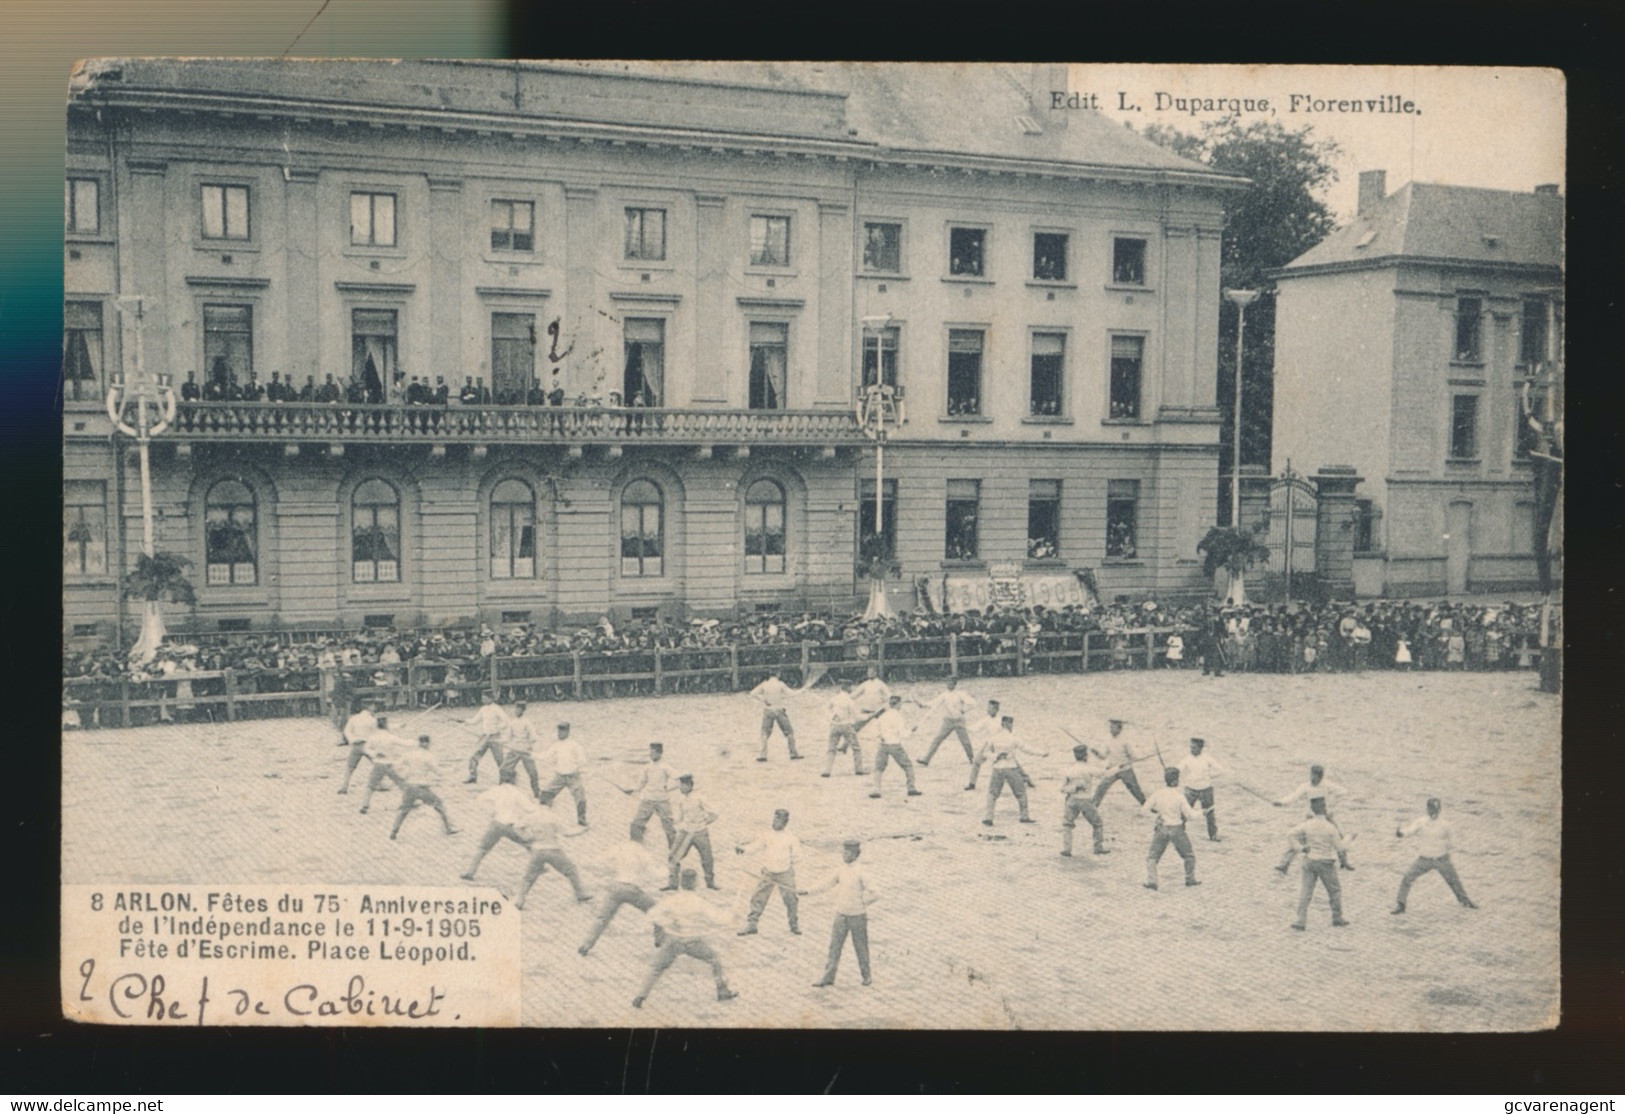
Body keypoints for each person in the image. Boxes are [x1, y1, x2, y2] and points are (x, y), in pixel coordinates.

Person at [633, 869, 739, 1008]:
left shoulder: (672, 899)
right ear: (695, 883)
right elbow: (721, 919)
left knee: (656, 968)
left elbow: (653, 914)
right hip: (693, 942)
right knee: (714, 960)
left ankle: (640, 997)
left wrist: (667, 923)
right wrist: (732, 913)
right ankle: (722, 990)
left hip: (673, 941)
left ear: (681, 883)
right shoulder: (700, 902)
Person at [801, 838, 880, 988]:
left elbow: (876, 893)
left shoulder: (861, 872)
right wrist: (808, 891)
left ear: (856, 854)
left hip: (857, 916)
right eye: (843, 851)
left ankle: (866, 975)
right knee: (834, 947)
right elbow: (826, 884)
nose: (844, 854)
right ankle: (828, 977)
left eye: (848, 852)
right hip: (841, 915)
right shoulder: (841, 870)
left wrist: (863, 902)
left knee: (861, 947)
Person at [579, 837, 669, 956]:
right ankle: (660, 941)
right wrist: (667, 870)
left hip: (615, 887)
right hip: (633, 890)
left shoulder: (621, 847)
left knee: (602, 918)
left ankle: (586, 945)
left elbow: (600, 860)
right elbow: (655, 874)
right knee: (657, 911)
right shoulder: (643, 853)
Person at [1392, 798, 1478, 914]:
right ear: (1427, 809)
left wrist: (1448, 848)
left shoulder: (1445, 825)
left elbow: (1453, 841)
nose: (1434, 812)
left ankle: (1465, 901)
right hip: (1424, 859)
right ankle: (1401, 904)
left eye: (1436, 810)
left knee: (1453, 880)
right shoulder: (1421, 822)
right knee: (1407, 877)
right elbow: (1410, 831)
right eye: (1432, 809)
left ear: (1439, 810)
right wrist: (1400, 833)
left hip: (1441, 859)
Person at [460, 765, 542, 882]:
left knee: (482, 848)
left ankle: (470, 871)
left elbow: (480, 799)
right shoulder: (517, 792)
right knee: (528, 843)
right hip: (511, 826)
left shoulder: (496, 790)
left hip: (496, 824)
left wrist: (492, 809)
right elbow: (530, 809)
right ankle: (539, 866)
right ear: (514, 779)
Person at [513, 796, 592, 910]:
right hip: (553, 850)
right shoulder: (553, 816)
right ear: (551, 802)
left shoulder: (531, 816)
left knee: (528, 877)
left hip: (537, 850)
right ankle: (581, 894)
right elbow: (567, 833)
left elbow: (516, 827)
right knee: (571, 870)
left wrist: (527, 837)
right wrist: (583, 830)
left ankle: (519, 900)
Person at [735, 808, 801, 936]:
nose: (774, 822)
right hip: (768, 872)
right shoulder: (767, 835)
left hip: (785, 873)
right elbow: (755, 846)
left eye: (778, 820)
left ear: (784, 823)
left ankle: (794, 925)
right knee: (758, 897)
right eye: (774, 819)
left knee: (791, 899)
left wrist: (785, 863)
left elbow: (798, 857)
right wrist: (743, 849)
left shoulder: (791, 838)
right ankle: (752, 924)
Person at [1273, 765, 1352, 871]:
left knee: (1339, 837)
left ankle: (1344, 862)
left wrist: (1332, 806)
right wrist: (1281, 802)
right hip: (1311, 818)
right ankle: (1284, 864)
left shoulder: (1327, 785)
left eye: (1317, 777)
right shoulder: (1305, 786)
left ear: (1321, 776)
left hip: (1326, 817)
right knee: (1298, 838)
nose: (1314, 779)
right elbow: (1293, 797)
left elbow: (1343, 792)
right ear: (1310, 774)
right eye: (1312, 775)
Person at [1288, 798, 1351, 930]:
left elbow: (1291, 834)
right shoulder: (1330, 827)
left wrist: (1300, 848)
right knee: (1334, 891)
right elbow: (1339, 849)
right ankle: (1337, 917)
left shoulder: (1307, 824)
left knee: (1305, 891)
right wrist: (1344, 862)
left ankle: (1300, 920)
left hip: (1309, 860)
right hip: (1325, 862)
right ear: (1325, 810)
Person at [386, 735, 459, 841]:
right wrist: (452, 770)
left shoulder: (408, 754)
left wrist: (403, 776)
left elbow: (396, 766)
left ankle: (394, 831)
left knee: (403, 810)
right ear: (427, 744)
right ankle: (449, 828)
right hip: (422, 788)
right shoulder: (429, 756)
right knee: (439, 805)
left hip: (409, 787)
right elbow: (439, 772)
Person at [1141, 767, 1203, 890]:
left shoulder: (1158, 793)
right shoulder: (1180, 796)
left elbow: (1143, 810)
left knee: (1152, 857)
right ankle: (1190, 879)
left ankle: (1152, 881)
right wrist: (1202, 811)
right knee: (1188, 856)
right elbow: (1190, 815)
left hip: (1162, 828)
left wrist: (1157, 817)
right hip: (1177, 829)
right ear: (1175, 781)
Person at [979, 714, 1046, 827]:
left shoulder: (993, 738)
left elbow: (985, 753)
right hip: (1011, 767)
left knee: (992, 794)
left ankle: (988, 817)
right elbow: (1027, 749)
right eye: (1011, 724)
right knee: (1021, 793)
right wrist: (1042, 753)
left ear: (1001, 725)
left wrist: (996, 756)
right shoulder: (1014, 738)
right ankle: (1024, 816)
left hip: (998, 768)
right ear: (1008, 724)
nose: (1011, 726)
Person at [621, 741, 678, 851]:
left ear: (660, 753)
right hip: (647, 800)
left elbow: (679, 779)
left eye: (653, 753)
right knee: (636, 825)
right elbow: (642, 782)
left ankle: (674, 852)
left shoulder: (666, 767)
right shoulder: (647, 767)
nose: (651, 755)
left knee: (669, 828)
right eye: (650, 752)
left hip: (663, 801)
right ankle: (636, 849)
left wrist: (669, 788)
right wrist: (633, 790)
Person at [668, 772, 720, 890]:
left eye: (681, 785)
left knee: (707, 858)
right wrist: (672, 821)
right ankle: (672, 883)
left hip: (700, 832)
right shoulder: (681, 799)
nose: (679, 788)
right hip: (685, 832)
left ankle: (710, 883)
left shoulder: (700, 797)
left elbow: (714, 813)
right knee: (673, 856)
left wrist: (705, 822)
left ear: (688, 785)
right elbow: (680, 817)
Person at [865, 694, 922, 800]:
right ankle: (911, 788)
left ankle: (876, 789)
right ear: (898, 704)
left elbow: (876, 730)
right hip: (895, 744)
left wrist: (880, 737)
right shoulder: (898, 716)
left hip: (883, 745)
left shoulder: (883, 715)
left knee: (878, 768)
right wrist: (911, 730)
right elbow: (903, 734)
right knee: (908, 766)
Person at [916, 676, 979, 767]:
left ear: (954, 684)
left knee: (965, 741)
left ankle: (972, 759)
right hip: (948, 721)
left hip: (959, 721)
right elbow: (934, 703)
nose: (948, 684)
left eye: (950, 682)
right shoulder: (944, 694)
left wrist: (964, 710)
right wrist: (922, 705)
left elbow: (973, 703)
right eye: (947, 682)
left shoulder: (960, 694)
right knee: (937, 739)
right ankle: (926, 759)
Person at [1060, 744, 1108, 856]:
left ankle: (1067, 849)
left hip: (1071, 800)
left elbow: (1062, 788)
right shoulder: (1089, 768)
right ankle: (1098, 847)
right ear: (1086, 755)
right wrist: (1117, 767)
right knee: (1097, 823)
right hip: (1085, 801)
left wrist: (1073, 789)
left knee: (1067, 825)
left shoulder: (1069, 769)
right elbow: (1104, 773)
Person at [537, 721, 588, 826]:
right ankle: (544, 816)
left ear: (568, 732)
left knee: (581, 798)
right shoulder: (556, 745)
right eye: (558, 731)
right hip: (559, 777)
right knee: (545, 793)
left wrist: (577, 766)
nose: (559, 734)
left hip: (573, 776)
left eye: (562, 732)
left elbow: (583, 760)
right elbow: (544, 755)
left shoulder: (575, 745)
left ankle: (582, 820)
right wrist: (531, 754)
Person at [1177, 737, 1224, 842]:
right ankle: (1179, 833)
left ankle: (1213, 835)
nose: (1191, 750)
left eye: (1194, 748)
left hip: (1206, 790)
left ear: (1200, 748)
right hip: (1190, 789)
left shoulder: (1208, 759)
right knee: (1184, 811)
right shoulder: (1187, 759)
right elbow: (1177, 769)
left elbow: (1220, 770)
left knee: (1210, 813)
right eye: (1191, 747)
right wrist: (1171, 771)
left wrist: (1210, 775)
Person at [1090, 718, 1146, 807]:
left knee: (1135, 790)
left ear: (1120, 729)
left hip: (1125, 769)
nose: (1111, 730)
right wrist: (1096, 752)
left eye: (1113, 728)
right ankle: (1093, 807)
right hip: (1112, 769)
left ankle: (1147, 805)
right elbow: (1103, 756)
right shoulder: (1107, 739)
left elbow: (1133, 756)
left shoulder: (1126, 740)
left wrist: (1139, 757)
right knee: (1101, 787)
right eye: (1110, 727)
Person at [750, 674, 801, 761]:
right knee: (789, 732)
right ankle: (793, 753)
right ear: (778, 674)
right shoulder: (780, 684)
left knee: (764, 733)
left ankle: (762, 755)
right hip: (779, 709)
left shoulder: (764, 684)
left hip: (768, 710)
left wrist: (763, 699)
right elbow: (792, 694)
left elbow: (752, 693)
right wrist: (802, 691)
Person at [462, 699, 514, 784]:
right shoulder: (483, 709)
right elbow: (474, 720)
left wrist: (498, 727)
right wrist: (465, 721)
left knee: (499, 759)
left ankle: (505, 779)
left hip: (495, 737)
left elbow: (507, 721)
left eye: (485, 697)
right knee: (473, 755)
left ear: (490, 698)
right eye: (482, 697)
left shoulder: (497, 708)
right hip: (484, 736)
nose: (483, 699)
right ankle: (472, 776)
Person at [498, 701, 543, 799]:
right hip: (514, 750)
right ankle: (501, 790)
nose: (517, 711)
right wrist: (501, 741)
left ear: (523, 710)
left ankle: (537, 792)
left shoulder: (527, 722)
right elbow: (507, 737)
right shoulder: (512, 722)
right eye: (516, 709)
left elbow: (533, 737)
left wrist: (530, 745)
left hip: (525, 751)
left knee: (532, 772)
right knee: (503, 769)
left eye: (519, 709)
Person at [822, 683, 867, 778]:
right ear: (848, 688)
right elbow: (856, 716)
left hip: (834, 726)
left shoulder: (834, 698)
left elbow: (825, 708)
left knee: (831, 749)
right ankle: (859, 769)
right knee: (856, 748)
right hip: (846, 726)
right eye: (850, 687)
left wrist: (833, 716)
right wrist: (868, 716)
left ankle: (827, 770)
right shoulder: (850, 701)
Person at [963, 698, 1003, 791]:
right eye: (988, 707)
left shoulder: (1001, 720)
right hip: (988, 745)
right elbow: (975, 729)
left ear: (996, 709)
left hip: (998, 746)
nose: (988, 710)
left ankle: (1025, 778)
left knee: (1009, 763)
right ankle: (972, 784)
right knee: (976, 762)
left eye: (991, 708)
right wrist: (965, 727)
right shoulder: (985, 719)